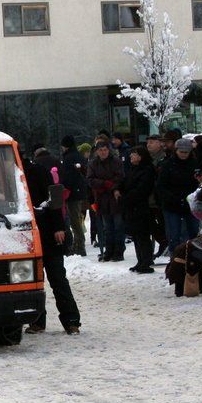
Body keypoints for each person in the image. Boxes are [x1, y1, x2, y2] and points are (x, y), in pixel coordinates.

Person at [22, 156, 80, 335]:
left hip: (47, 232)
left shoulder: (37, 171)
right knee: (32, 282)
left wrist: (58, 227)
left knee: (57, 278)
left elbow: (53, 199)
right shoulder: (8, 172)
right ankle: (37, 321)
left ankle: (71, 321)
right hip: (26, 236)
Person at [155, 138, 200, 256]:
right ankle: (175, 260)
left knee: (192, 235)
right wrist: (172, 198)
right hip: (172, 205)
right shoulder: (167, 165)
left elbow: (197, 184)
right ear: (176, 151)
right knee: (173, 236)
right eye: (181, 152)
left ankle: (192, 260)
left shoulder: (194, 164)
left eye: (186, 152)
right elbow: (161, 186)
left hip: (190, 205)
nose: (184, 154)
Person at [116, 146, 157, 273]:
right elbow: (124, 181)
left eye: (133, 154)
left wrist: (124, 198)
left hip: (142, 207)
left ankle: (146, 261)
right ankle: (140, 261)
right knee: (136, 235)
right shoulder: (133, 169)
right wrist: (117, 189)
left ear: (140, 156)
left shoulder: (147, 170)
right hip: (131, 207)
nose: (131, 156)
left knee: (143, 235)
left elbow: (141, 190)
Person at [86, 141, 125, 261]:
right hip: (102, 197)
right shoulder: (93, 163)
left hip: (115, 197)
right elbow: (90, 180)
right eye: (101, 150)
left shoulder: (116, 161)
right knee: (107, 227)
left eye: (105, 150)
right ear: (97, 151)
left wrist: (111, 186)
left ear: (108, 150)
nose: (103, 152)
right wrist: (104, 184)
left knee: (118, 226)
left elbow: (120, 177)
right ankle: (109, 250)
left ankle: (118, 251)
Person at [59, 135, 88, 256]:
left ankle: (80, 247)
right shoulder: (78, 155)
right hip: (79, 191)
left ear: (65, 146)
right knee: (76, 219)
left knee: (74, 221)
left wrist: (66, 188)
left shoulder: (68, 157)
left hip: (72, 193)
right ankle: (78, 245)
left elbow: (68, 176)